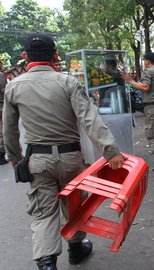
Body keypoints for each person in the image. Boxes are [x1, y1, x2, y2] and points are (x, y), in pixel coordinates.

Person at [3, 32, 125, 270]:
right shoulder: (68, 82)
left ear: (25, 56)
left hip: (38, 160)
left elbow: (9, 130)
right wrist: (111, 151)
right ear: (55, 55)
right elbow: (90, 120)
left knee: (43, 211)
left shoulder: (14, 87)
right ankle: (76, 248)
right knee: (74, 205)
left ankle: (47, 263)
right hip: (71, 159)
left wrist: (16, 159)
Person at [121, 52, 154, 173]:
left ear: (147, 62)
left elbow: (145, 87)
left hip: (152, 107)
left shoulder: (148, 71)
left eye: (144, 61)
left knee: (153, 134)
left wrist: (129, 81)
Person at [0, 61, 9, 165]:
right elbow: (5, 91)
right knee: (2, 130)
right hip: (1, 106)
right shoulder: (1, 76)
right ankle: (1, 153)